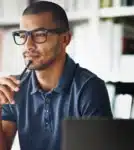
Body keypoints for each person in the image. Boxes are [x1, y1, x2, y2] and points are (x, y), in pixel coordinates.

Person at [0, 1, 112, 150]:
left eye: (39, 35)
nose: (28, 45)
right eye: (22, 35)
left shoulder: (89, 88)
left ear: (65, 39)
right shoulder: (14, 88)